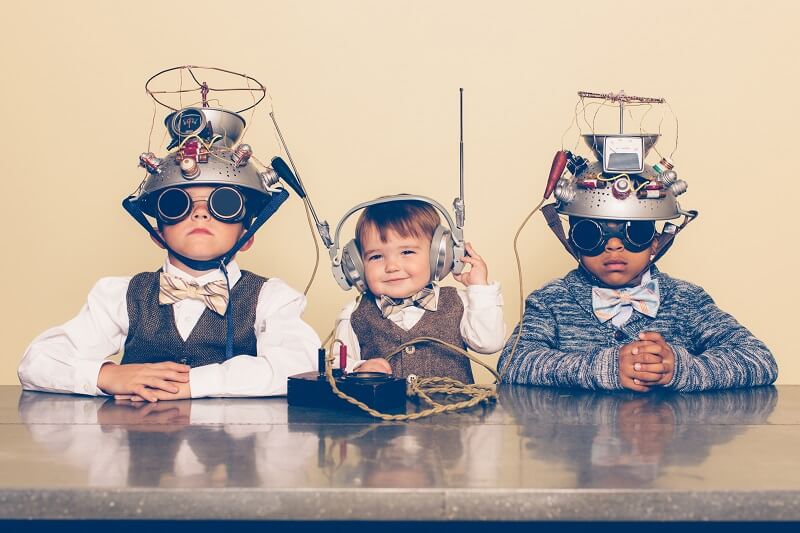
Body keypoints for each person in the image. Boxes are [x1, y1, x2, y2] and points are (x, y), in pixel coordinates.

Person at [18, 105, 319, 401]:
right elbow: (37, 362)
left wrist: (195, 383)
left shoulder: (271, 299)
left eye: (223, 205)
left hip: (235, 446)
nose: (200, 214)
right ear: (157, 233)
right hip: (141, 444)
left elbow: (300, 365)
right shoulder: (121, 295)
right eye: (177, 205)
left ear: (247, 236)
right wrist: (106, 375)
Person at [498, 143, 777, 392]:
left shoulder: (686, 300)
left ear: (655, 242)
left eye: (635, 232)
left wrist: (680, 368)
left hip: (666, 443)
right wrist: (600, 369)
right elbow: (513, 362)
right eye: (591, 235)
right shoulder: (551, 301)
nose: (614, 246)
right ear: (572, 242)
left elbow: (759, 359)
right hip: (578, 444)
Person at [334, 199, 505, 383]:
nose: (391, 266)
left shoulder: (459, 302)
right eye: (376, 256)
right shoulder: (354, 314)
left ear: (439, 256)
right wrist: (359, 368)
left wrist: (479, 288)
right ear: (358, 267)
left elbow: (489, 343)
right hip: (383, 412)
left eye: (407, 252)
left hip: (456, 410)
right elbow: (335, 366)